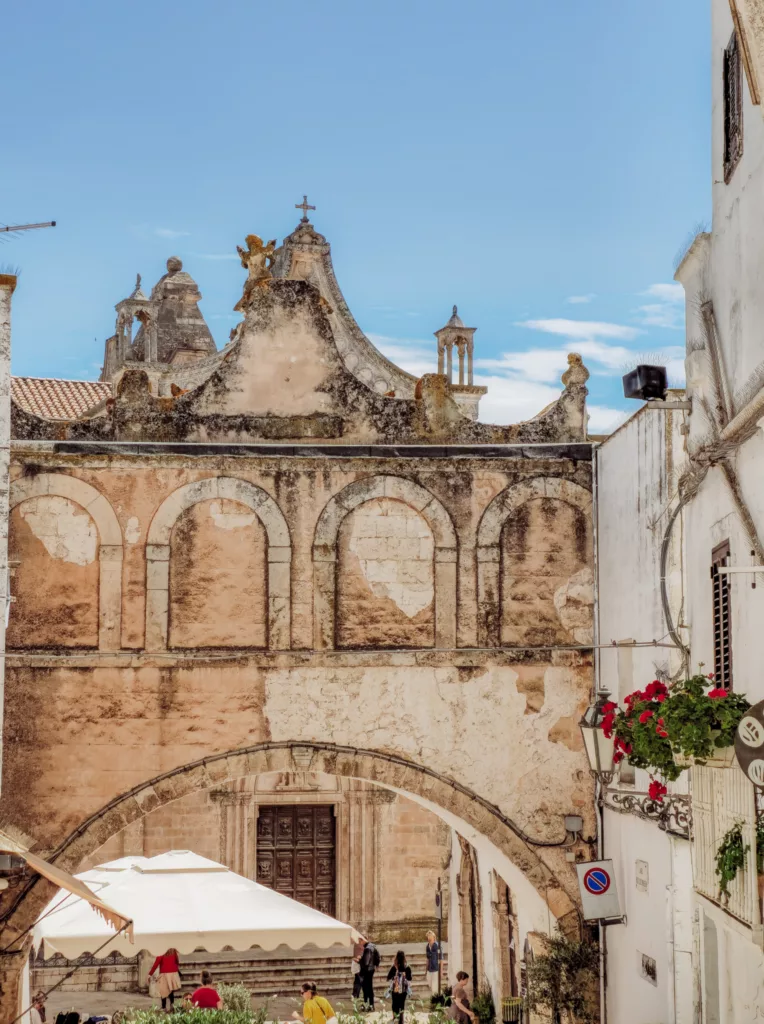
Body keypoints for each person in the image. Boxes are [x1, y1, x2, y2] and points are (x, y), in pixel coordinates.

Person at [148, 947, 182, 1012]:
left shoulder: (161, 952)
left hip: (164, 974)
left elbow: (156, 963)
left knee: (163, 991)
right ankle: (172, 1005)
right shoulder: (174, 951)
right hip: (173, 973)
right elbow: (177, 961)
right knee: (171, 991)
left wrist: (150, 974)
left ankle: (164, 1007)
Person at [386, 950, 412, 1024]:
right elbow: (409, 979)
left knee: (395, 1004)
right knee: (402, 1004)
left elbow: (388, 977)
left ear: (396, 957)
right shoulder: (407, 967)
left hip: (395, 989)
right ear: (404, 958)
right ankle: (401, 1020)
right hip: (403, 990)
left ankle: (395, 1018)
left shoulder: (394, 967)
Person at [357, 936, 381, 1009]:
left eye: (360, 941)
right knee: (369, 988)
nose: (359, 943)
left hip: (367, 971)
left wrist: (359, 960)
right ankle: (370, 1005)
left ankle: (367, 1005)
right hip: (371, 969)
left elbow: (366, 962)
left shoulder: (367, 949)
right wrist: (376, 965)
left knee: (366, 988)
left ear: (363, 940)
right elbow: (378, 957)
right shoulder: (372, 946)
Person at [352, 934, 368, 1002]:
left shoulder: (359, 945)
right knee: (359, 981)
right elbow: (358, 957)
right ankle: (355, 995)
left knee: (357, 981)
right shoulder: (359, 945)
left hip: (358, 965)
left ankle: (355, 995)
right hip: (358, 966)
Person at [425, 931, 440, 996]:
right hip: (429, 969)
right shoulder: (427, 947)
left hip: (436, 969)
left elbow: (441, 959)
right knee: (430, 984)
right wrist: (426, 970)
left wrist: (441, 971)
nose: (429, 941)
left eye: (430, 939)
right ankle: (436, 996)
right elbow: (427, 959)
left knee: (434, 988)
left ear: (434, 938)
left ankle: (435, 999)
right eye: (428, 939)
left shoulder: (437, 946)